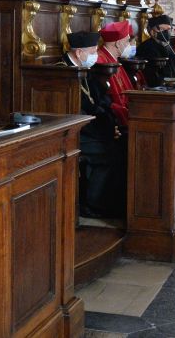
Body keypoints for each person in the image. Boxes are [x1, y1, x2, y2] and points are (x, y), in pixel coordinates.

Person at [62, 31, 126, 217]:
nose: (95, 56)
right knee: (111, 154)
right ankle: (93, 206)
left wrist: (111, 124)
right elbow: (77, 111)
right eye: (92, 51)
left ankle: (110, 203)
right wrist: (106, 130)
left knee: (120, 146)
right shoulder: (63, 72)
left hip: (92, 127)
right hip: (75, 131)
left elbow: (101, 100)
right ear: (80, 52)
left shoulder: (84, 69)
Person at [97, 21, 137, 127]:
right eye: (128, 41)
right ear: (118, 43)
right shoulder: (100, 60)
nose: (129, 45)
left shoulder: (114, 60)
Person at [136, 15, 175, 86]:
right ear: (152, 31)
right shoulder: (146, 47)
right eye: (162, 29)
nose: (166, 32)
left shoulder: (168, 46)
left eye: (168, 29)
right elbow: (149, 74)